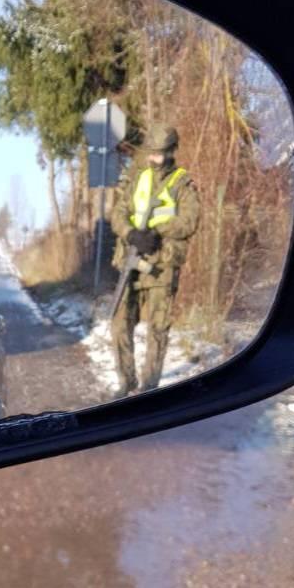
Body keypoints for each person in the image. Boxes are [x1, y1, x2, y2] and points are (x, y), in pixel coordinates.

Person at [109, 122, 200, 394]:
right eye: (151, 152)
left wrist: (157, 230)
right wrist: (131, 233)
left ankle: (149, 389)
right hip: (131, 260)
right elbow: (118, 213)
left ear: (172, 151)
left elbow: (190, 220)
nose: (154, 157)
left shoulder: (182, 183)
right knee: (119, 323)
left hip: (162, 265)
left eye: (160, 152)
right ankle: (126, 383)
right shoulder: (139, 177)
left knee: (157, 329)